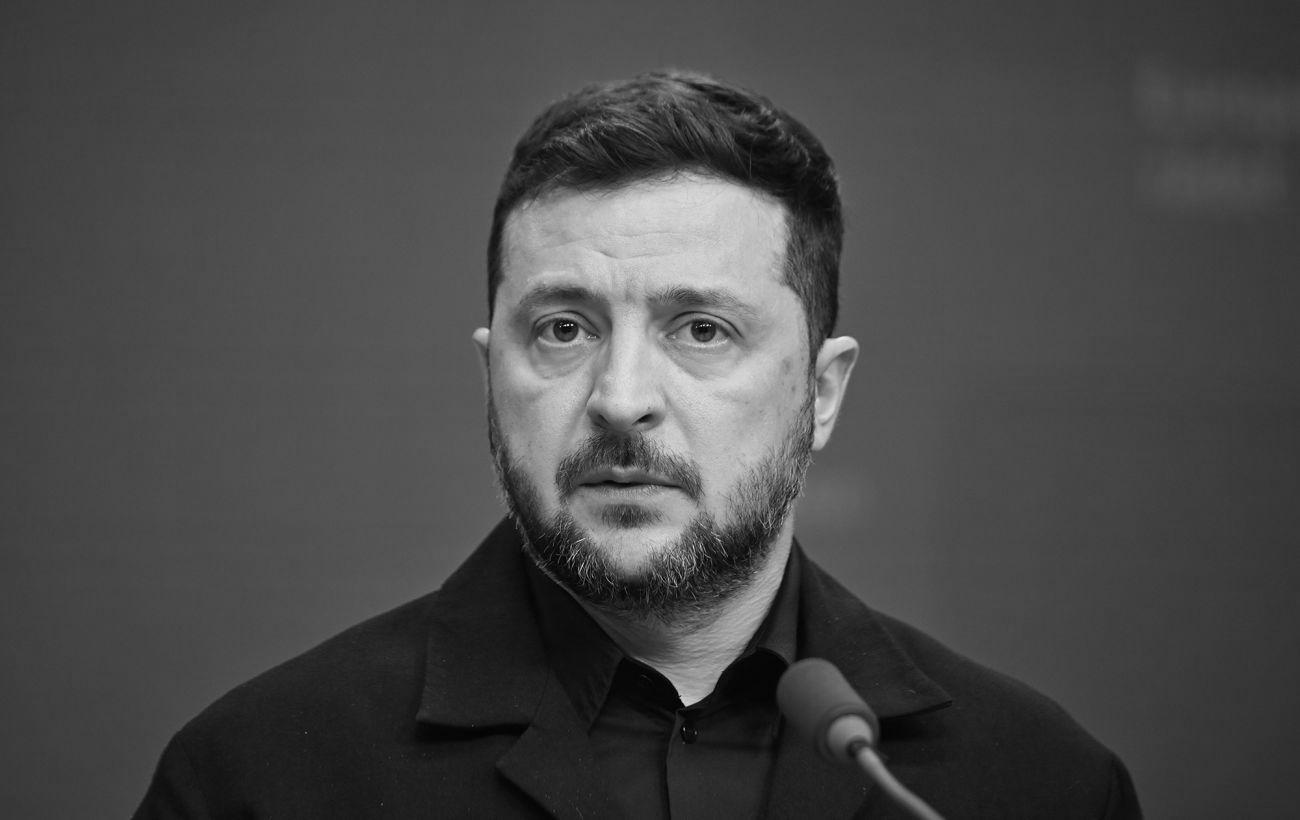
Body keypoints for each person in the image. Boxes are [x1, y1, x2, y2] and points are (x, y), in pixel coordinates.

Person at [134, 70, 1142, 819]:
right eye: (563, 329)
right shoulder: (260, 778)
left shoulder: (1035, 785)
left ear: (821, 392)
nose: (620, 400)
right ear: (491, 374)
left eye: (701, 329)